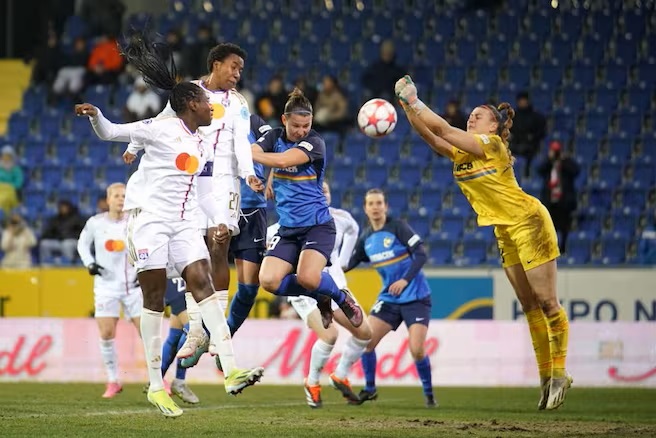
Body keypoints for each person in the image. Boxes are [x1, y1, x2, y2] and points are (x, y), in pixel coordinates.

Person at [76, 33, 263, 417]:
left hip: (182, 223)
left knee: (204, 285)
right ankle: (155, 385)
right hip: (149, 223)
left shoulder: (200, 141)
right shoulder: (159, 129)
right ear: (191, 104)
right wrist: (96, 116)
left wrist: (220, 221)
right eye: (206, 103)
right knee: (155, 300)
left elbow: (203, 192)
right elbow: (112, 132)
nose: (213, 107)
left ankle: (231, 370)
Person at [396, 75, 571, 410]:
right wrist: (407, 108)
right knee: (530, 307)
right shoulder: (464, 155)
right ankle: (546, 378)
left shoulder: (493, 146)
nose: (471, 118)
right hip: (504, 231)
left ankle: (561, 372)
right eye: (470, 115)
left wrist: (416, 99)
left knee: (548, 303)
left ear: (493, 127)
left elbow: (444, 130)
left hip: (529, 222)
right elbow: (435, 139)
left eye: (479, 116)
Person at [125, 42, 263, 367]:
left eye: (241, 69)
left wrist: (248, 173)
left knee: (220, 242)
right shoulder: (189, 94)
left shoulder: (239, 103)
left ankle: (219, 331)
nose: (237, 73)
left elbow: (243, 140)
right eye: (233, 66)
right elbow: (158, 123)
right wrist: (134, 146)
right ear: (216, 64)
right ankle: (197, 329)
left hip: (225, 177)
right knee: (195, 251)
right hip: (192, 175)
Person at [250, 88, 364, 330]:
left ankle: (341, 298)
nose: (302, 131)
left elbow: (281, 160)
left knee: (308, 277)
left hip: (317, 226)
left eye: (307, 125)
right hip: (289, 228)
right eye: (296, 126)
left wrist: (259, 162)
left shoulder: (315, 142)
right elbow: (262, 153)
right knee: (268, 281)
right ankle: (319, 296)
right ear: (284, 120)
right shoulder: (275, 137)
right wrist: (262, 173)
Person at [269, 182, 372, 408]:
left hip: (334, 283)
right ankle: (313, 382)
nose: (323, 193)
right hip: (305, 291)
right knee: (330, 335)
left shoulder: (339, 218)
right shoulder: (286, 224)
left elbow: (354, 229)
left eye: (326, 190)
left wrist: (343, 263)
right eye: (319, 190)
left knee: (365, 332)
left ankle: (340, 374)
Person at [345, 188, 436, 408]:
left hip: (415, 297)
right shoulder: (366, 238)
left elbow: (421, 254)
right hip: (390, 299)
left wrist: (404, 280)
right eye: (371, 204)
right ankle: (370, 388)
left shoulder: (398, 227)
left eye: (379, 203)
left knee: (416, 350)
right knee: (366, 341)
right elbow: (348, 265)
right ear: (365, 209)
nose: (375, 207)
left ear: (386, 206)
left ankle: (429, 395)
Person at [76, 182, 142, 398]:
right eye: (116, 195)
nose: (121, 199)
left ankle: (159, 381)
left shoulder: (136, 221)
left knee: (148, 333)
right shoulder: (95, 223)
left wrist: (143, 270)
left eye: (124, 195)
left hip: (133, 285)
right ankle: (113, 380)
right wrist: (90, 263)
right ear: (108, 199)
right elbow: (82, 244)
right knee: (106, 333)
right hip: (106, 286)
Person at [537, 141, 580, 254]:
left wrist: (564, 160)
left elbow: (576, 171)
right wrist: (549, 160)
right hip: (550, 200)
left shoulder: (566, 164)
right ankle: (551, 247)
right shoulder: (548, 164)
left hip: (564, 200)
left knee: (564, 225)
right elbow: (539, 170)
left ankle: (563, 247)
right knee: (549, 226)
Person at [511, 91, 546, 178]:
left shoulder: (536, 116)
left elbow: (541, 132)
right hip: (515, 143)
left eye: (524, 100)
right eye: (520, 101)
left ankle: (527, 175)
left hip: (531, 145)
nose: (522, 103)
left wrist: (532, 137)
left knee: (530, 153)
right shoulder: (513, 116)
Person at [0, 145, 24, 214]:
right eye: (5, 156)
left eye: (9, 156)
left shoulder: (17, 170)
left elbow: (18, 183)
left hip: (12, 195)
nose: (6, 159)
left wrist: (6, 187)